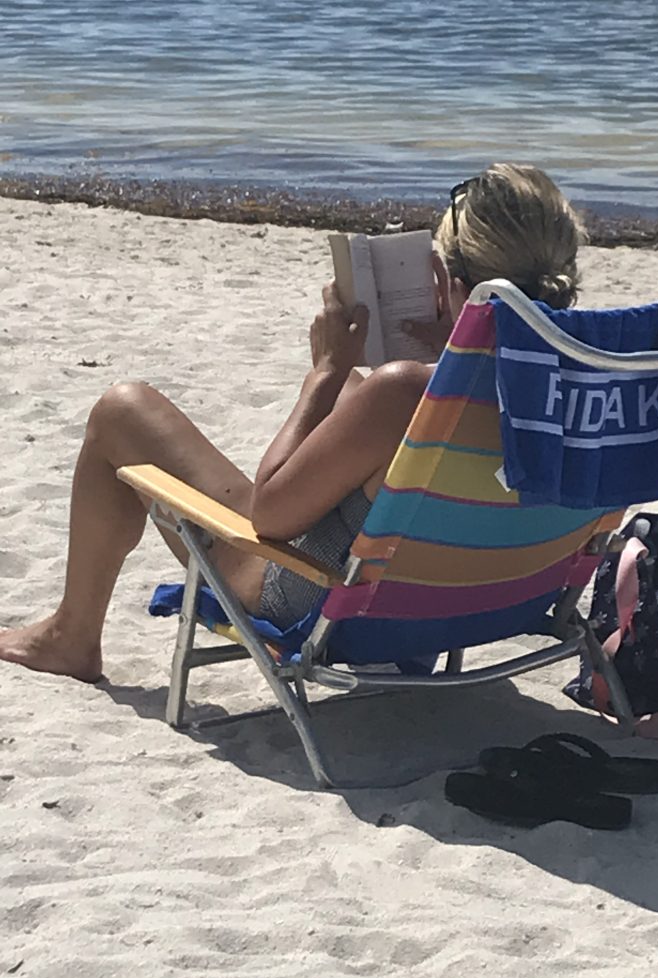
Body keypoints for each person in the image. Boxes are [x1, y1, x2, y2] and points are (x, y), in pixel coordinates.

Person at [0, 163, 585, 682]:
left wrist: (326, 373)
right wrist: (447, 360)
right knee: (358, 398)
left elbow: (270, 516)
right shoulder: (596, 379)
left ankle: (71, 637)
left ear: (451, 286)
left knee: (122, 409)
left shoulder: (404, 391)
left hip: (328, 605)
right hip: (487, 603)